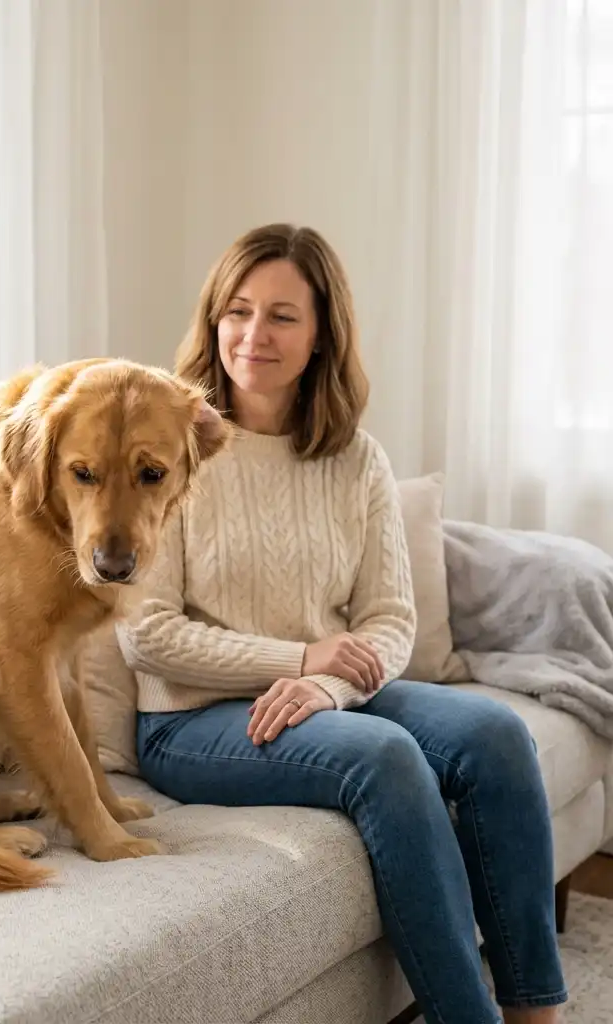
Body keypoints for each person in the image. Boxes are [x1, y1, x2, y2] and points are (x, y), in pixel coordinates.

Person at [115, 224, 567, 1024]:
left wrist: (321, 682)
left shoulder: (355, 457)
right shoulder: (167, 447)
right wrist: (297, 655)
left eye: (283, 316)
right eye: (238, 311)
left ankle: (537, 1012)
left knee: (496, 735)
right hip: (190, 720)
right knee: (386, 758)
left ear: (323, 332)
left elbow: (389, 617)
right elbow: (146, 633)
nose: (254, 336)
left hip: (321, 694)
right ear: (213, 318)